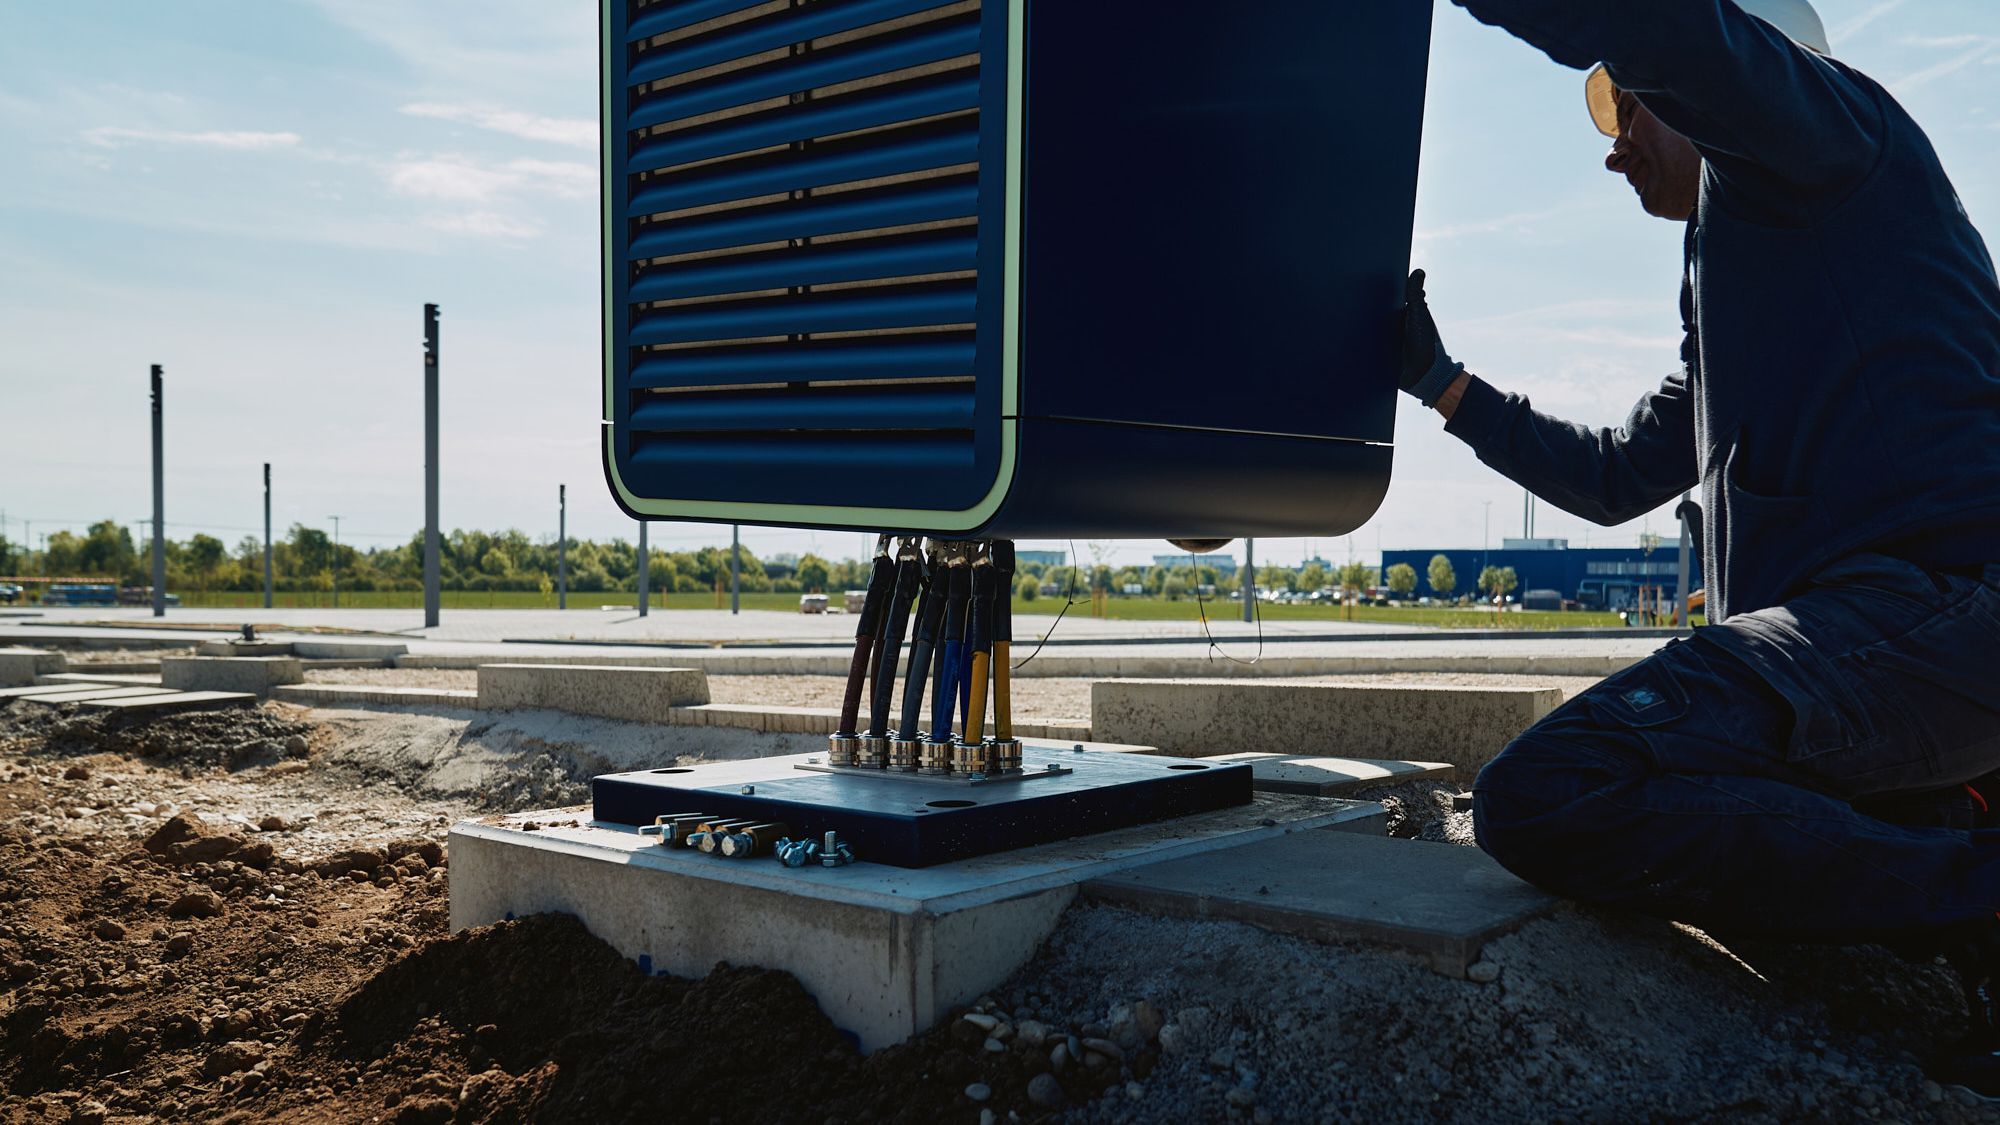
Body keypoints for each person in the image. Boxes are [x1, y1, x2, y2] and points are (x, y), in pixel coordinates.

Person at [1400, 0, 2000, 1094]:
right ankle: (1953, 880)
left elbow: (1661, 24)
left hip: (1936, 614)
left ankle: (1973, 894)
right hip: (1907, 658)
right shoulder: (1744, 269)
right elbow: (1615, 475)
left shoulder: (1827, 134)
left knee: (1552, 790)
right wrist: (1445, 386)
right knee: (1750, 823)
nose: (1612, 137)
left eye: (1623, 98)